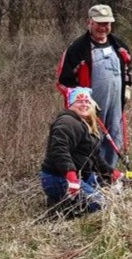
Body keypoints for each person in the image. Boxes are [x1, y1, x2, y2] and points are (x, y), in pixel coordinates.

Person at [55, 4, 132, 168]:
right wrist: (80, 101)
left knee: (114, 139)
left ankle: (108, 176)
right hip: (89, 109)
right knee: (90, 143)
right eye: (99, 23)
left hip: (116, 104)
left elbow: (128, 68)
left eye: (107, 23)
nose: (103, 28)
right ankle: (88, 178)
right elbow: (63, 81)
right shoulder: (77, 49)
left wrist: (127, 88)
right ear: (89, 22)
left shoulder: (119, 46)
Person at [40, 87, 121, 218]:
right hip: (59, 177)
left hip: (80, 175)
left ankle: (67, 202)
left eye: (87, 101)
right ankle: (61, 211)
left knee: (114, 194)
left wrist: (113, 173)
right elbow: (59, 150)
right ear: (70, 105)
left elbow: (93, 156)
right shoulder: (67, 122)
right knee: (100, 204)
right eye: (79, 102)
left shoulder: (84, 124)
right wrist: (72, 180)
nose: (84, 104)